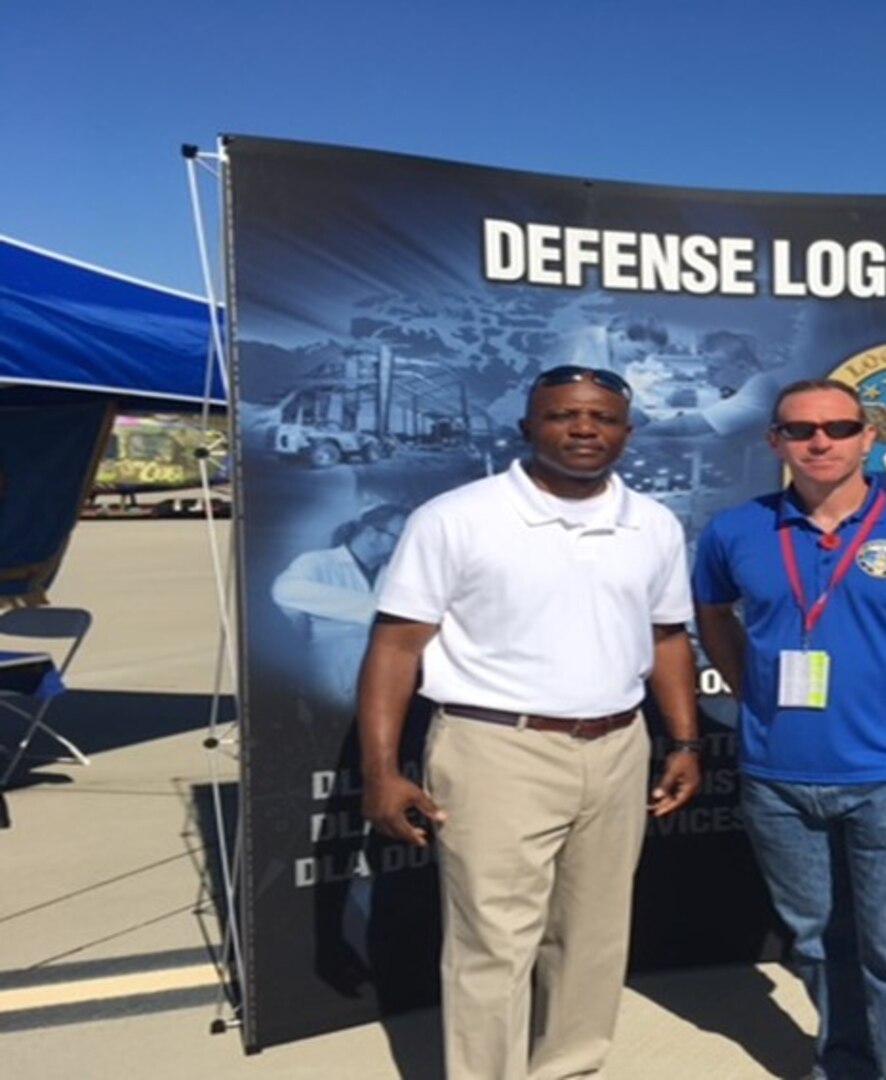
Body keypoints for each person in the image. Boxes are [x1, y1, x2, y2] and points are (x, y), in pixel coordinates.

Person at [356, 365, 703, 1080]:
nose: (583, 429)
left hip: (616, 747)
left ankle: (568, 1070)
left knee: (593, 938)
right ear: (526, 427)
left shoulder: (653, 523)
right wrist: (381, 772)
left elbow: (668, 637)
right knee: (493, 944)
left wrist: (685, 740)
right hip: (495, 749)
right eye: (562, 415)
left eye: (602, 418)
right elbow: (394, 646)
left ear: (626, 433)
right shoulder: (456, 518)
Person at [692, 377, 886, 1080]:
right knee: (818, 945)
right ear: (776, 441)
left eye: (836, 428)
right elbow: (712, 618)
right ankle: (847, 1067)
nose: (818, 441)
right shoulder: (735, 530)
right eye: (800, 430)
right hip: (778, 781)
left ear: (868, 437)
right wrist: (754, 694)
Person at [270, 502, 409, 706]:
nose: (405, 545)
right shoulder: (317, 562)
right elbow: (285, 590)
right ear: (371, 533)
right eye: (400, 537)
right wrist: (379, 611)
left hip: (383, 674)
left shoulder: (396, 572)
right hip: (329, 674)